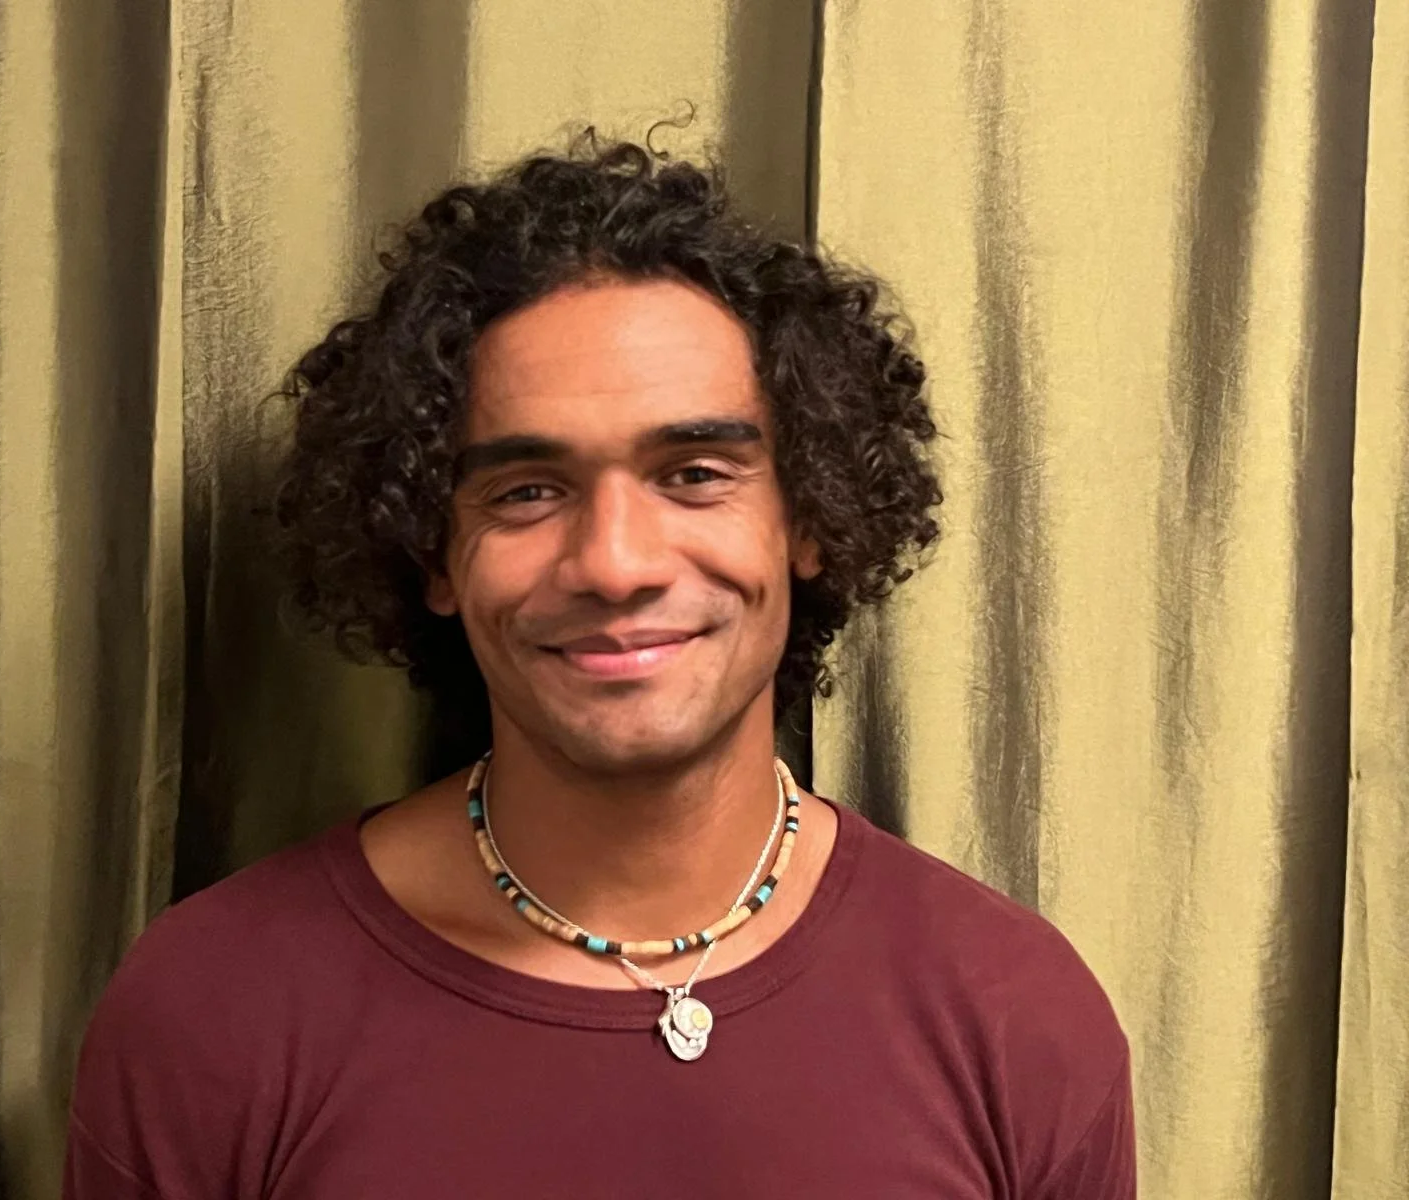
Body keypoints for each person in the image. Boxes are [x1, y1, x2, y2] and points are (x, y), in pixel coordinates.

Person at [63, 135, 1135, 1199]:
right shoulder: (211, 1010)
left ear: (809, 519)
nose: (616, 564)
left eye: (695, 474)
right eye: (527, 491)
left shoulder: (1012, 1013)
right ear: (432, 552)